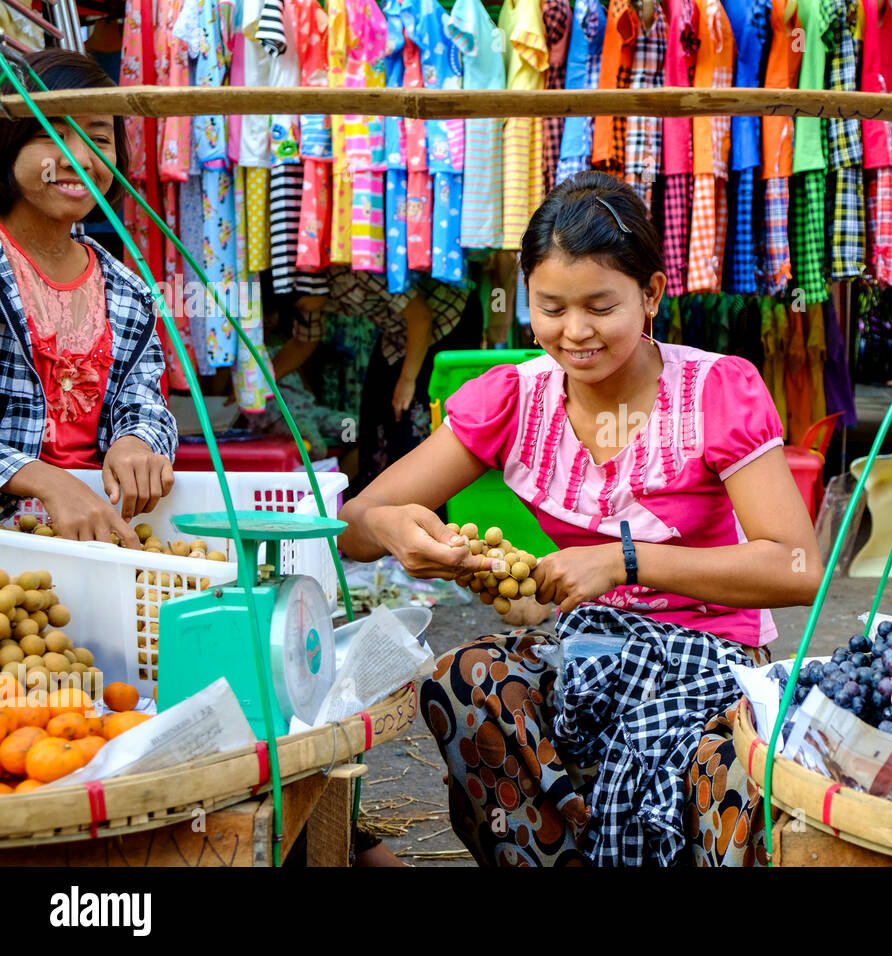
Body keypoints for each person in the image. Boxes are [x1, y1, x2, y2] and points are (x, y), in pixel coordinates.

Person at [338, 171, 821, 866]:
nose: (575, 332)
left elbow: (798, 568)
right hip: (588, 654)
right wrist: (398, 533)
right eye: (552, 307)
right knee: (462, 678)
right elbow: (356, 521)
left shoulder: (717, 390)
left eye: (601, 306)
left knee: (727, 766)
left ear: (651, 294)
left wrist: (627, 561)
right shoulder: (513, 399)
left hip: (708, 658)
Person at [0, 50, 176, 541]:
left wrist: (136, 443)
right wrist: (43, 479)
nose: (79, 157)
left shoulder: (127, 289)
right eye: (48, 133)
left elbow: (144, 400)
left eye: (99, 137)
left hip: (96, 533)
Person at [271, 269, 472, 497]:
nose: (302, 310)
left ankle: (418, 504)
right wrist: (258, 384)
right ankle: (380, 503)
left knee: (412, 419)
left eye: (301, 304)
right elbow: (303, 341)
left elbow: (421, 317)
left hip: (445, 318)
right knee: (374, 420)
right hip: (398, 334)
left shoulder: (355, 272)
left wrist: (407, 381)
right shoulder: (310, 297)